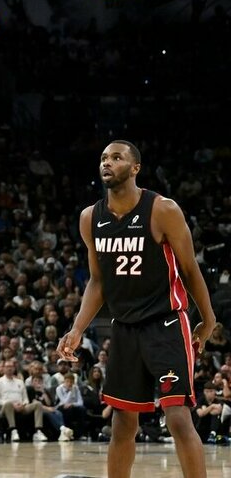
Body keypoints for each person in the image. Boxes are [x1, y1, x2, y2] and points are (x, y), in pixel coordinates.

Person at [59, 140, 217, 478]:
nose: (107, 163)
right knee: (121, 425)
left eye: (117, 158)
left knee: (177, 417)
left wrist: (208, 318)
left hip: (166, 323)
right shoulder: (90, 218)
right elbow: (98, 282)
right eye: (103, 158)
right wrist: (76, 329)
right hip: (124, 327)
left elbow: (189, 268)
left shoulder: (163, 209)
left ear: (135, 168)